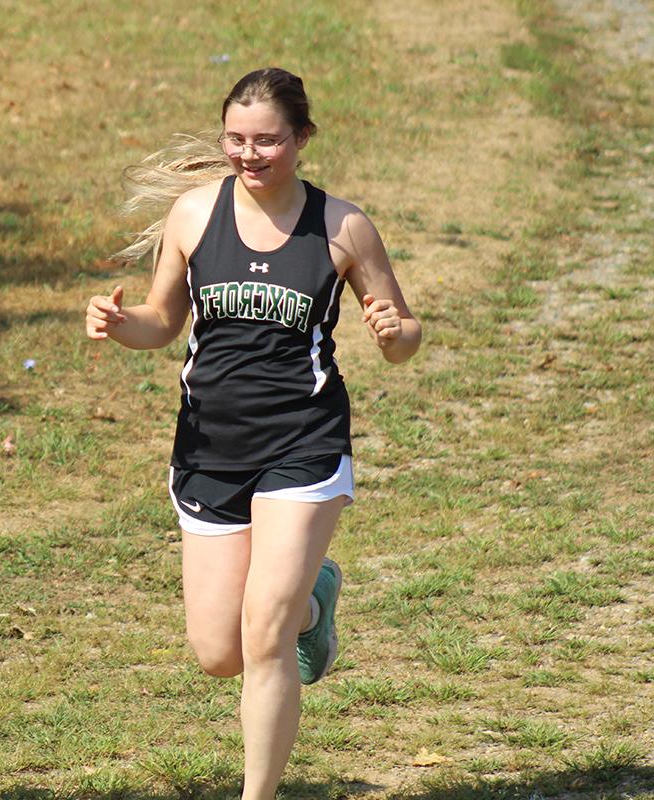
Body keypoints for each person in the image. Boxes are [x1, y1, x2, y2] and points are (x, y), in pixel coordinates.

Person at [84, 68, 420, 799]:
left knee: (265, 637)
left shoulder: (342, 226)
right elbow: (163, 320)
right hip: (208, 446)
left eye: (267, 140)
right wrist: (120, 326)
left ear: (302, 138)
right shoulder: (193, 216)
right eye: (236, 139)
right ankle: (313, 600)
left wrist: (395, 331)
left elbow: (402, 334)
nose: (249, 153)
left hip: (304, 443)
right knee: (218, 650)